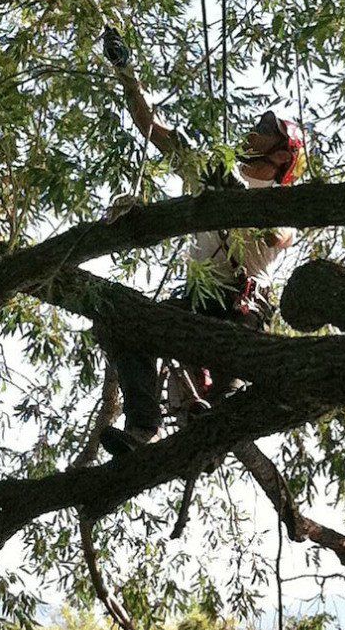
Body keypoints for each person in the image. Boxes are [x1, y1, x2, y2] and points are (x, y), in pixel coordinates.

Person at [97, 22, 306, 454]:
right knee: (120, 323)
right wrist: (126, 71)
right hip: (195, 300)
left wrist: (227, 193)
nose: (254, 130)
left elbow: (274, 235)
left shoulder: (284, 204)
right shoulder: (214, 174)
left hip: (237, 310)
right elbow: (150, 126)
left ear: (282, 154)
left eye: (265, 129)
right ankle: (143, 427)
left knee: (224, 405)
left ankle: (214, 419)